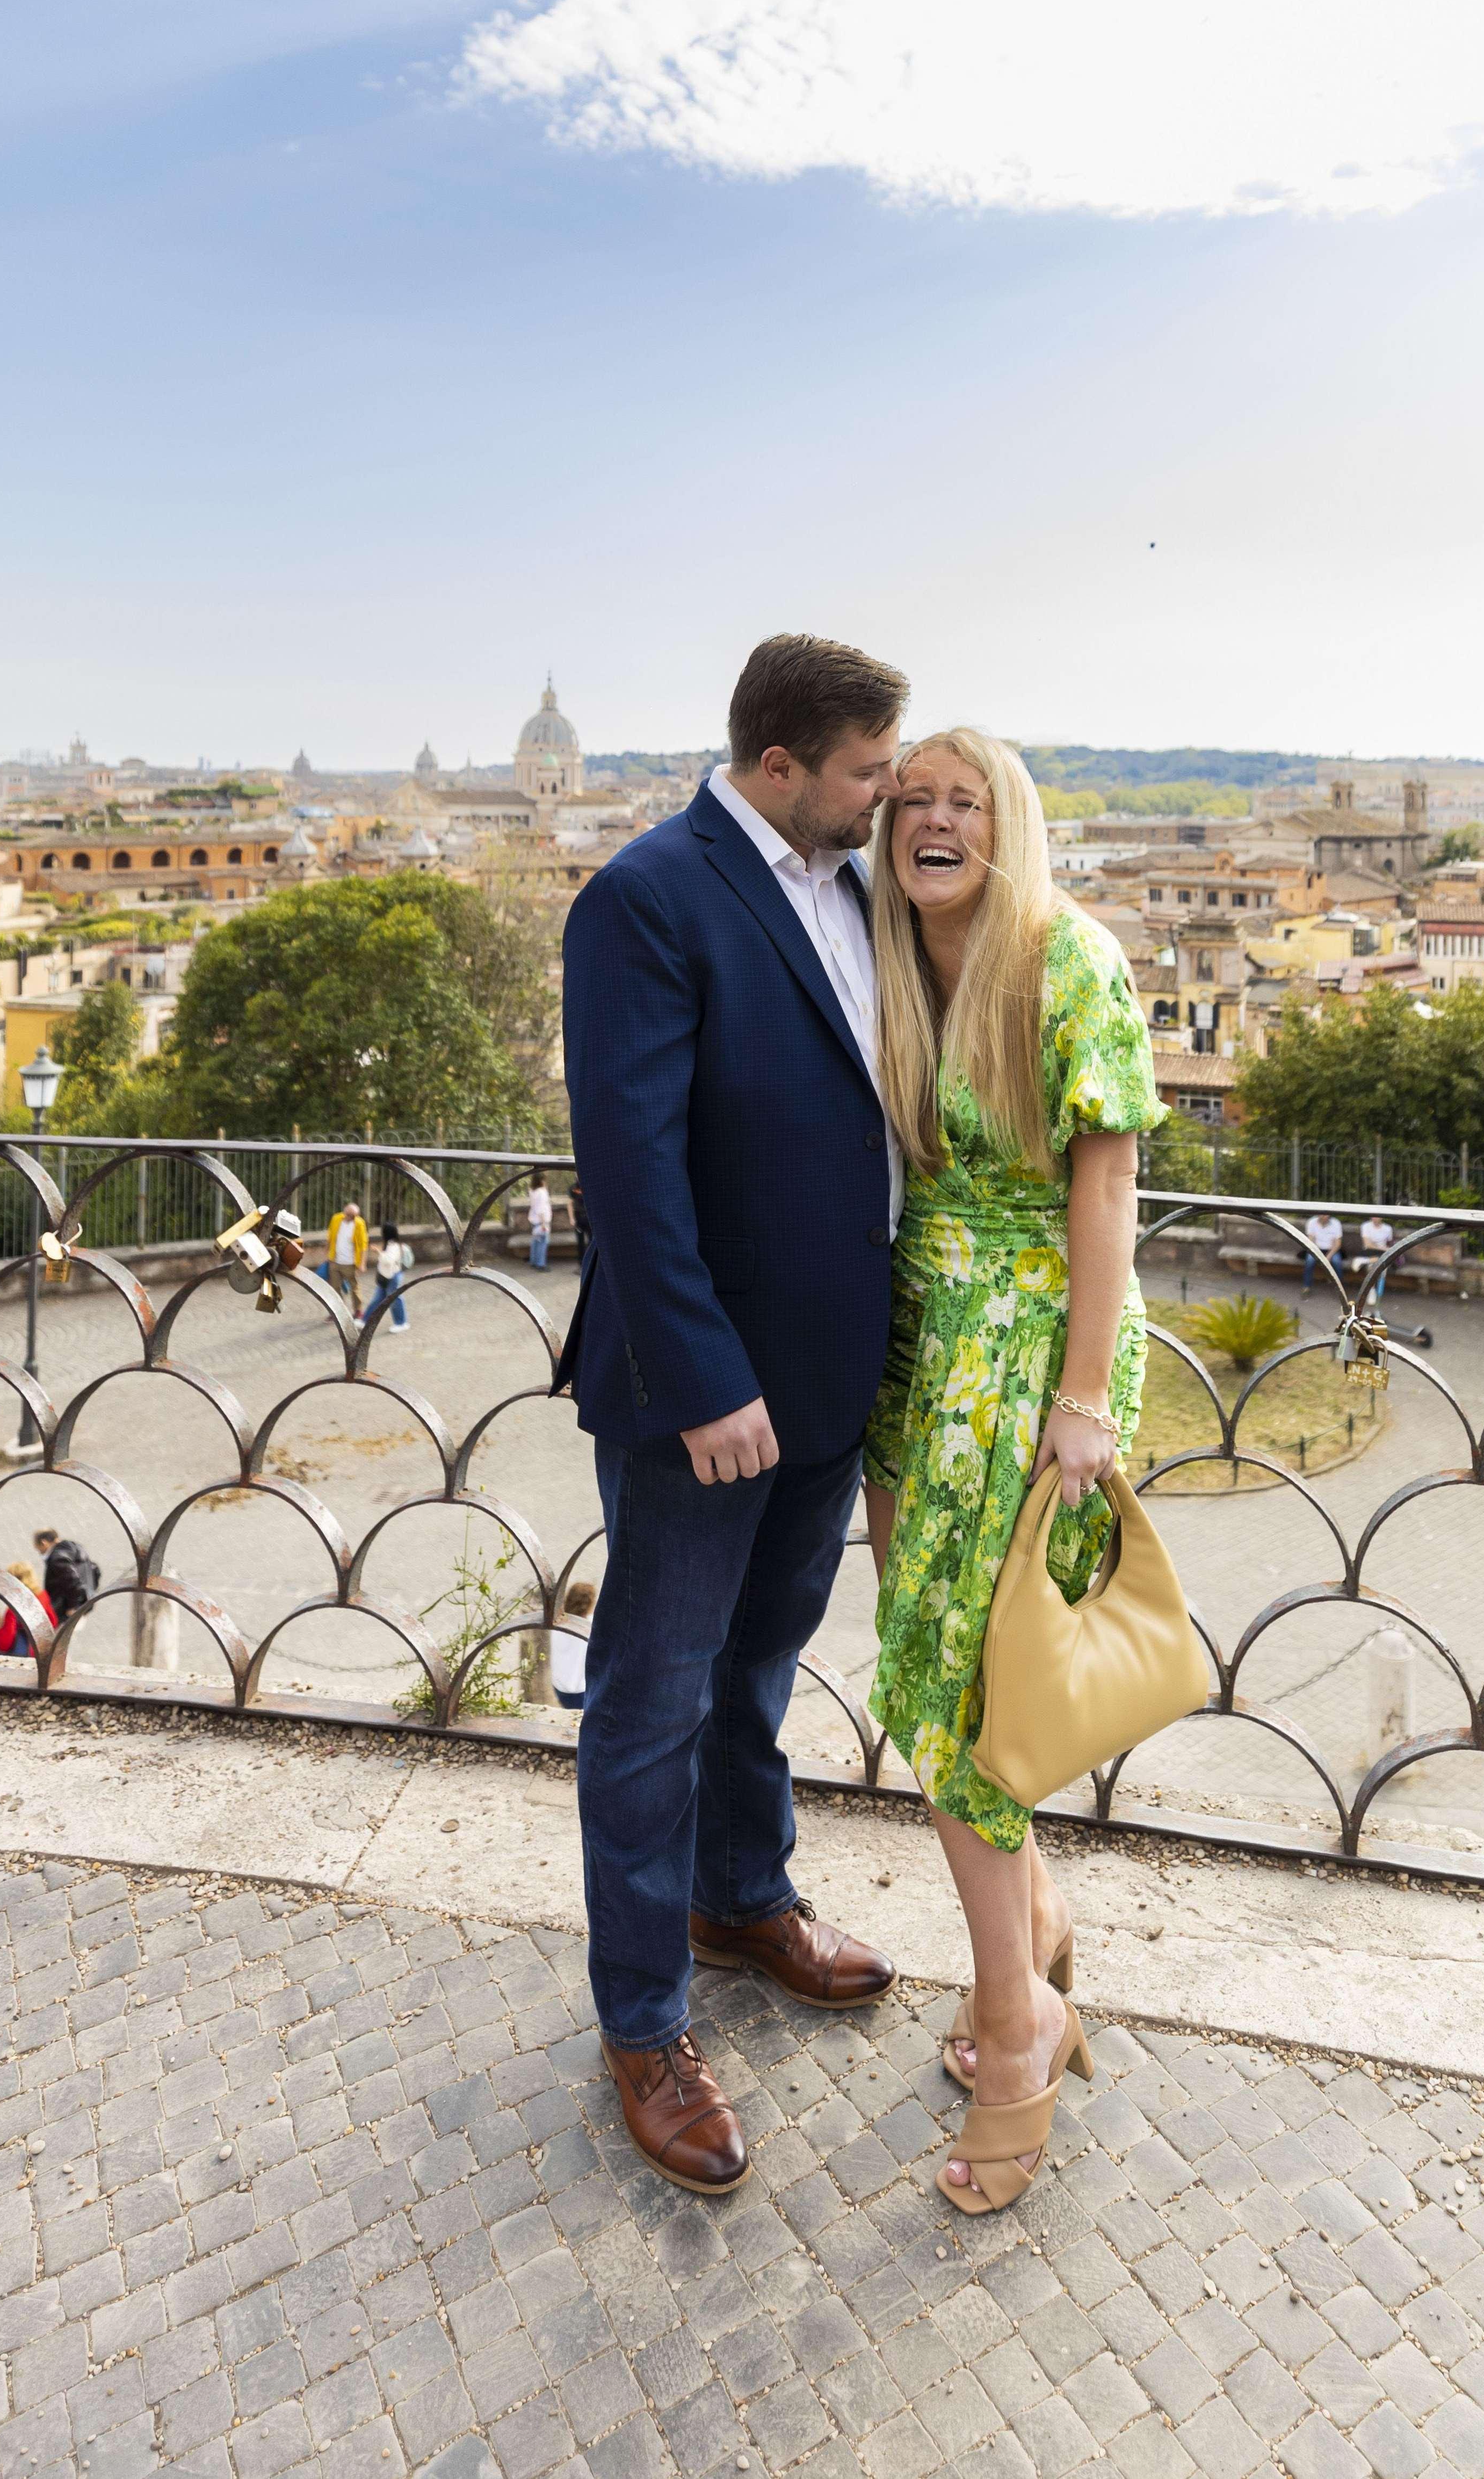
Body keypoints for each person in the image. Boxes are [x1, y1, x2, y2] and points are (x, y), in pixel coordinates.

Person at [556, 633, 909, 2196]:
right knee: (651, 1700)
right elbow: (628, 1166)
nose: (886, 793)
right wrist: (704, 1379)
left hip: (827, 1376)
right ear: (779, 767)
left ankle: (739, 1898)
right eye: (866, 771)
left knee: (758, 1668)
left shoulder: (861, 887)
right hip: (702, 1394)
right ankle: (643, 2022)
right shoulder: (648, 895)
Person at [860, 728, 1168, 2214]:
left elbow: (1108, 1181)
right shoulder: (887, 958)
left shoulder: (1065, 958)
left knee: (962, 1703)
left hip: (1028, 1352)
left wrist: (1085, 1396)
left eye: (961, 801)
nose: (932, 820)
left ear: (1009, 824)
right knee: (933, 1663)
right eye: (909, 799)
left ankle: (1013, 2020)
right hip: (910, 1346)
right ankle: (1032, 1928)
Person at [361, 1223, 410, 1333]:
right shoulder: (389, 1244)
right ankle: (365, 1321)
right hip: (386, 1277)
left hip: (392, 1277)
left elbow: (389, 1261)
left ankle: (402, 1323)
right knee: (377, 1300)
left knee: (395, 1300)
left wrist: (378, 1252)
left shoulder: (394, 1246)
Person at [327, 1199, 368, 1310]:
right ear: (345, 1212)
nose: (351, 1218)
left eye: (354, 1216)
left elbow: (363, 1245)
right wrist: (328, 1254)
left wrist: (362, 1264)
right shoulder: (336, 1219)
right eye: (349, 1215)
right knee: (335, 1288)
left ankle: (358, 1310)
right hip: (335, 1261)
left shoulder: (359, 1224)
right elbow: (330, 1237)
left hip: (350, 1263)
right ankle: (339, 1311)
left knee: (354, 1289)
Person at [1301, 1208, 1346, 1293]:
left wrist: (1328, 1257)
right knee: (1310, 1261)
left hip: (1332, 1250)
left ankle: (1340, 1289)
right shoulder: (1312, 1222)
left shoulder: (1336, 1223)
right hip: (1316, 1250)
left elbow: (1338, 1244)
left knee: (1337, 1262)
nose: (1326, 1216)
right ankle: (1307, 1287)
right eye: (1324, 1214)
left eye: (1327, 1214)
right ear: (1319, 1215)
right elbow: (1311, 1242)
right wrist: (1319, 1255)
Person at [526, 1171, 555, 1273]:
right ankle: (541, 1264)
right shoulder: (542, 1192)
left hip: (534, 1220)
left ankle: (534, 1261)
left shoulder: (533, 1191)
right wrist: (543, 1224)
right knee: (543, 1243)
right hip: (541, 1221)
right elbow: (541, 1209)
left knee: (536, 1242)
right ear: (542, 1181)